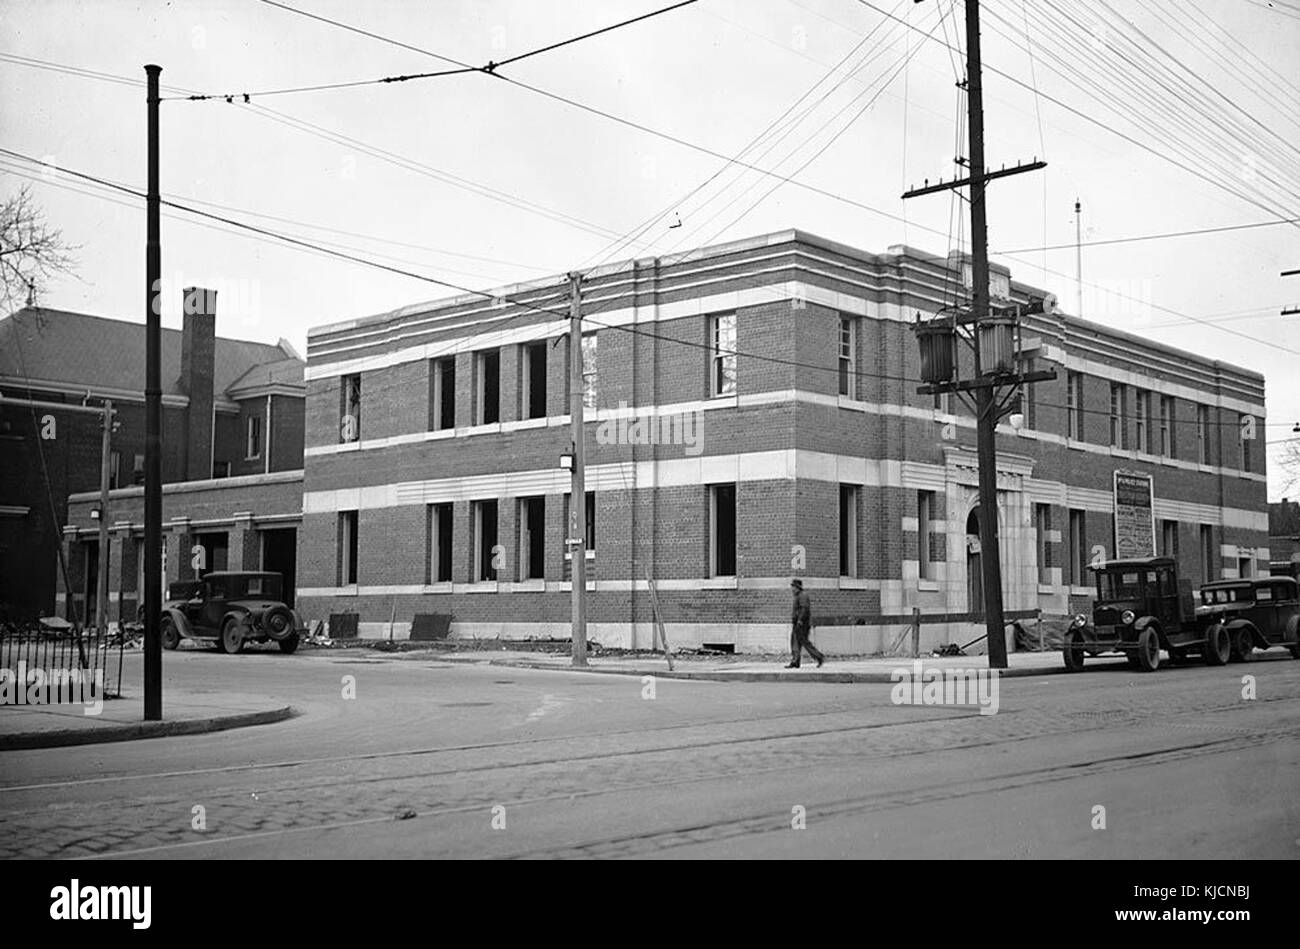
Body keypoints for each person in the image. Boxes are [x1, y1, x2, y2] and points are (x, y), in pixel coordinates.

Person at [787, 578, 824, 668]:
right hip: (798, 623)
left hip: (802, 624)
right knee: (795, 641)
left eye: (793, 587)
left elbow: (804, 609)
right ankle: (795, 661)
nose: (792, 589)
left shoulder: (802, 596)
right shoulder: (798, 596)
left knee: (804, 642)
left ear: (797, 587)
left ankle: (819, 656)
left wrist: (800, 620)